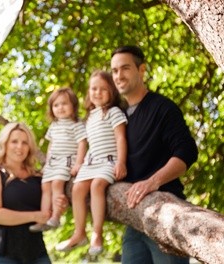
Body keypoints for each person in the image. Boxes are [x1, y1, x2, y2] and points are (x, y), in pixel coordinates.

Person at [110, 45, 198, 264]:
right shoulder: (117, 116)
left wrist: (153, 181)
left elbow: (187, 151)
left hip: (166, 214)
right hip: (135, 221)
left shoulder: (162, 108)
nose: (119, 75)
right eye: (114, 71)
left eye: (125, 68)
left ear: (141, 70)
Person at [56, 70, 128, 256]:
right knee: (78, 189)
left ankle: (97, 233)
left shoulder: (113, 112)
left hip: (108, 161)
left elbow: (121, 138)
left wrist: (121, 162)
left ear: (112, 91)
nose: (97, 92)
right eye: (94, 88)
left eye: (103, 89)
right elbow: (88, 144)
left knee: (97, 186)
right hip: (91, 162)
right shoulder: (90, 117)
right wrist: (79, 163)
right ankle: (79, 232)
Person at [0, 122, 67, 264]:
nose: (19, 147)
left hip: (36, 252)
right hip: (1, 253)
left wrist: (59, 207)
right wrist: (35, 216)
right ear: (5, 143)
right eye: (14, 141)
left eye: (25, 143)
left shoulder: (39, 176)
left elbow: (47, 216)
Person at [29, 87, 87, 232]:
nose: (60, 108)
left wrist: (79, 163)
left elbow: (82, 143)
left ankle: (55, 216)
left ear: (73, 106)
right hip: (53, 162)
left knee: (56, 184)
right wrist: (47, 163)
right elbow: (51, 145)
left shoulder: (76, 123)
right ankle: (43, 217)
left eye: (64, 104)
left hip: (67, 160)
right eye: (56, 105)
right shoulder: (54, 126)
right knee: (45, 186)